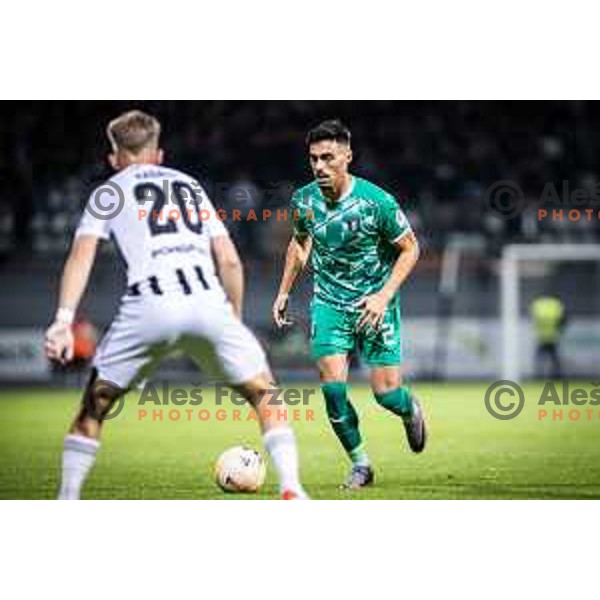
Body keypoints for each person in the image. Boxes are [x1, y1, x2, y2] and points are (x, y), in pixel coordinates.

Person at [44, 110, 307, 500]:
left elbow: (82, 255)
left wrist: (63, 319)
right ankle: (292, 488)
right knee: (265, 395)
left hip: (148, 306)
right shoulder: (189, 185)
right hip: (207, 302)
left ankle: (67, 500)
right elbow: (230, 261)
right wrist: (231, 319)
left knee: (94, 407)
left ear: (114, 158)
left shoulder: (109, 191)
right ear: (159, 154)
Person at [272, 119, 425, 490]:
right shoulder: (304, 200)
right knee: (332, 388)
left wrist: (384, 295)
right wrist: (284, 290)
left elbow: (411, 248)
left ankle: (410, 409)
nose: (320, 166)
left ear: (347, 157)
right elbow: (300, 243)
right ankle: (361, 464)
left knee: (386, 394)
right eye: (313, 159)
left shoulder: (377, 202)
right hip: (328, 302)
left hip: (376, 302)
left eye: (328, 157)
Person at [530, 295, 567, 379]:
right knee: (554, 359)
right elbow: (562, 320)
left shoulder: (538, 305)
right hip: (552, 337)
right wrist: (560, 330)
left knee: (541, 359)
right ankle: (555, 376)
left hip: (543, 338)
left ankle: (539, 376)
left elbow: (534, 320)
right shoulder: (556, 305)